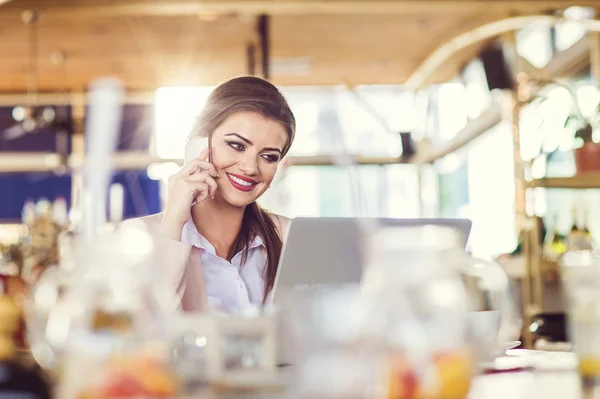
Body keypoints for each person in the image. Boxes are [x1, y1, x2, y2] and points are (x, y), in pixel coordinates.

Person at [122, 76, 295, 314]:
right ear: (197, 144)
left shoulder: (289, 237)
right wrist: (173, 224)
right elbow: (139, 330)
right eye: (237, 145)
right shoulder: (138, 238)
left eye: (268, 156)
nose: (250, 167)